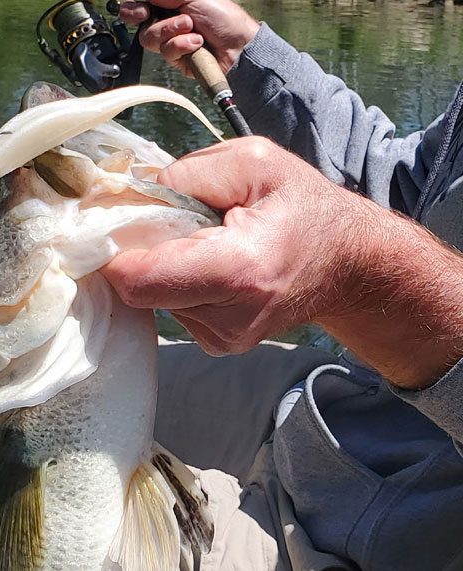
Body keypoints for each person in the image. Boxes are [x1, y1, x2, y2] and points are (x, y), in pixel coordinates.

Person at [98, 1, 463, 569]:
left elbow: (371, 246)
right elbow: (407, 186)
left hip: (369, 542)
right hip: (333, 411)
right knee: (14, 404)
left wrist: (351, 267)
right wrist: (246, 57)